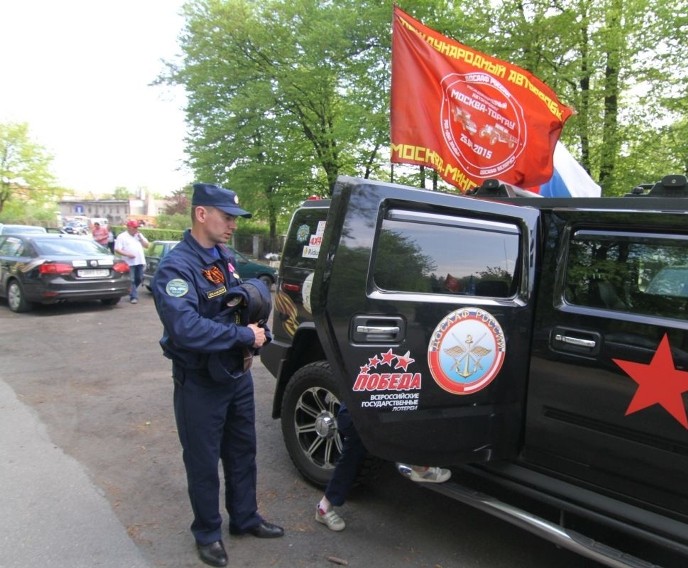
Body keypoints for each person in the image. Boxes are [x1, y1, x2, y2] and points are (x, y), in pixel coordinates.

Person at [151, 183, 283, 568]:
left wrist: (259, 329)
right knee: (203, 461)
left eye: (234, 219)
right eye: (226, 217)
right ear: (201, 214)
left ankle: (244, 518)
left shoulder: (223, 256)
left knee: (243, 451)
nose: (232, 226)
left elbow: (236, 305)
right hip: (200, 383)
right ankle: (208, 532)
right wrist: (243, 334)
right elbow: (185, 329)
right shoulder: (176, 266)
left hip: (235, 375)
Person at [315, 403, 451, 532]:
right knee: (355, 438)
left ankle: (413, 463)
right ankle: (324, 507)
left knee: (409, 406)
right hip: (362, 399)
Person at [114, 220, 149, 304]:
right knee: (132, 279)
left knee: (139, 278)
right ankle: (134, 296)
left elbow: (147, 245)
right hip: (129, 262)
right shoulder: (122, 236)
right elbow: (117, 249)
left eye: (137, 227)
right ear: (129, 227)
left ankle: (130, 290)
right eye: (134, 227)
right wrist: (127, 254)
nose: (136, 229)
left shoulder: (139, 235)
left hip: (140, 261)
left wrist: (140, 238)